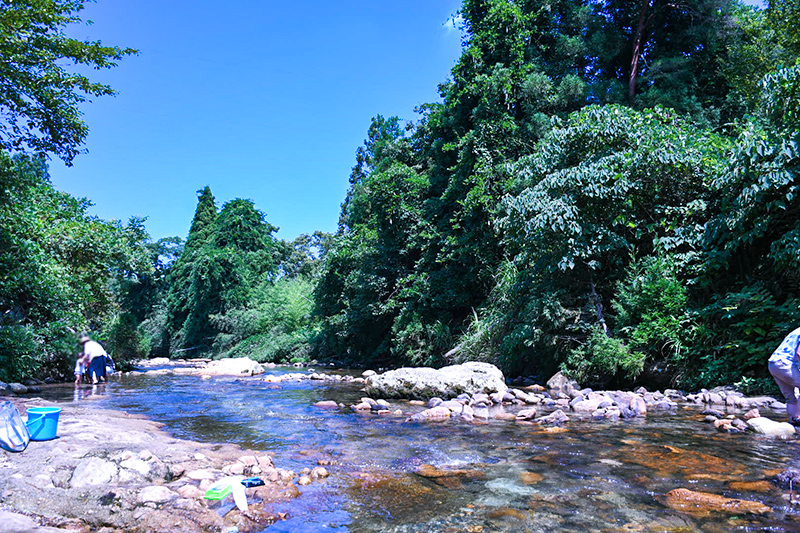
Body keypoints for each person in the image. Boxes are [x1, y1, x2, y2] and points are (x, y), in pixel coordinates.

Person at [768, 326, 800, 425]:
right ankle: (799, 417)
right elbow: (799, 353)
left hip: (773, 363)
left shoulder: (797, 330)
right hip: (785, 364)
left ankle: (793, 422)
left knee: (790, 397)